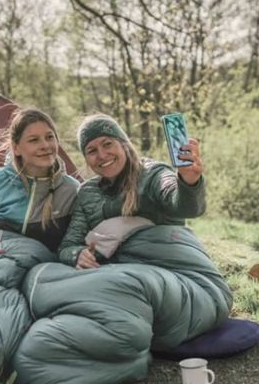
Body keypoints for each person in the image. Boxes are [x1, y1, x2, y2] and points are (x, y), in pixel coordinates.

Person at [58, 113, 205, 268]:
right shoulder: (87, 193)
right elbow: (67, 246)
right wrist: (78, 255)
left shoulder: (153, 174)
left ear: (124, 144)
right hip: (115, 271)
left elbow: (186, 209)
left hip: (165, 265)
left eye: (107, 144)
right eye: (92, 151)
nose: (101, 155)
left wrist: (188, 182)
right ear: (86, 158)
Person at [0, 108, 79, 252]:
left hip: (42, 268)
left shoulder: (71, 189)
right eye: (34, 140)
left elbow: (74, 241)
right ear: (16, 148)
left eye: (50, 137)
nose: (45, 146)